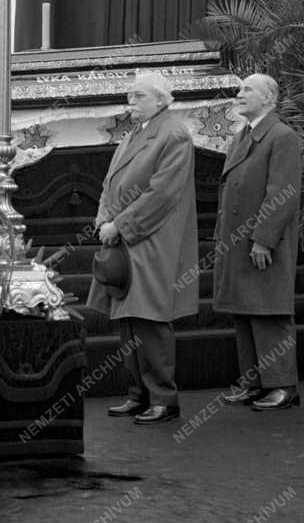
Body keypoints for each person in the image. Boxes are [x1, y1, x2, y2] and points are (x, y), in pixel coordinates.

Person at [86, 72, 199, 426]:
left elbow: (162, 193)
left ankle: (164, 399)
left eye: (137, 96)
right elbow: (110, 181)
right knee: (128, 320)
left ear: (160, 100)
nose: (129, 102)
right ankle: (138, 394)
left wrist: (119, 224)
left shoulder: (174, 134)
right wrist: (104, 216)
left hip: (151, 240)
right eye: (129, 96)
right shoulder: (137, 131)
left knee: (151, 319)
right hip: (125, 240)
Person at [214, 73, 303, 410]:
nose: (239, 94)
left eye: (247, 89)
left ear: (269, 98)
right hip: (237, 244)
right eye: (239, 89)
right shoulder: (242, 137)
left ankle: (282, 386)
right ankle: (253, 382)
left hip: (262, 244)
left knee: (270, 313)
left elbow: (282, 193)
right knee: (245, 312)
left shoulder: (282, 136)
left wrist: (263, 240)